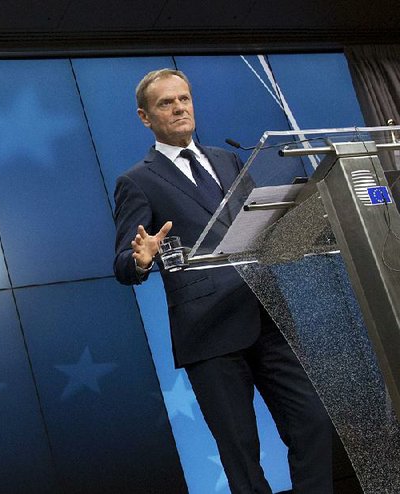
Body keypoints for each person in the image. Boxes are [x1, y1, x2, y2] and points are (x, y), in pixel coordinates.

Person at [113, 68, 332, 493]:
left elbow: (260, 227)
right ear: (145, 117)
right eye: (166, 103)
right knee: (241, 454)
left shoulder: (229, 159)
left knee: (313, 421)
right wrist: (139, 260)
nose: (179, 107)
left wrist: (301, 218)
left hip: (265, 315)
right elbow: (124, 262)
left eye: (184, 99)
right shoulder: (136, 180)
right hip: (208, 331)